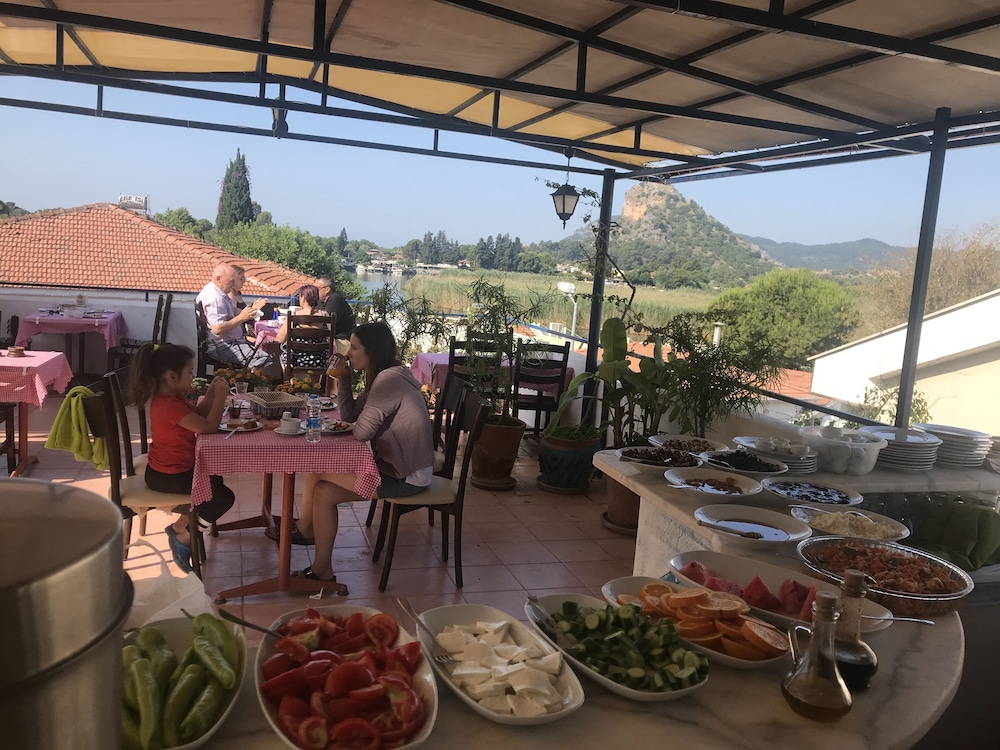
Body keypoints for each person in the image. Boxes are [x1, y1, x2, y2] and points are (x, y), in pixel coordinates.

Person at [292, 322, 434, 581]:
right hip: (396, 467)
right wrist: (344, 378)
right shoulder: (384, 375)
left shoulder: (388, 380)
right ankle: (321, 565)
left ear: (373, 351)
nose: (348, 354)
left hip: (407, 476)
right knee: (323, 492)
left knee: (317, 470)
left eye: (355, 348)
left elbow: (362, 432)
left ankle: (304, 530)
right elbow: (350, 416)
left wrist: (358, 420)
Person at [128, 342, 236, 572]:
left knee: (215, 482)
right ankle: (185, 534)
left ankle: (182, 527)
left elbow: (199, 415)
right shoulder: (168, 405)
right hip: (168, 475)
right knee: (223, 498)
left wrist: (211, 393)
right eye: (189, 372)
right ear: (171, 376)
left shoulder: (172, 397)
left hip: (167, 470)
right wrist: (220, 399)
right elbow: (207, 427)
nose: (192, 377)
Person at [196, 261, 269, 367]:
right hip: (223, 346)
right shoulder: (214, 298)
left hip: (232, 342)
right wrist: (241, 318)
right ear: (218, 279)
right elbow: (217, 329)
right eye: (231, 281)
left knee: (263, 349)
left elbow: (231, 311)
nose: (234, 285)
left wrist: (250, 312)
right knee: (262, 358)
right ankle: (245, 377)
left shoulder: (221, 292)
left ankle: (245, 376)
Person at [274, 284, 331, 369]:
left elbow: (280, 339)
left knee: (282, 357)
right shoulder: (325, 315)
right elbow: (331, 336)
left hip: (296, 361)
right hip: (320, 361)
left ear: (303, 298)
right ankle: (316, 378)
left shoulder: (293, 316)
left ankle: (289, 377)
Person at [316, 276, 356, 354]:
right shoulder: (322, 301)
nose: (315, 291)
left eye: (317, 288)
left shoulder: (335, 299)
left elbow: (325, 322)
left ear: (327, 289)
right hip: (331, 340)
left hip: (342, 341)